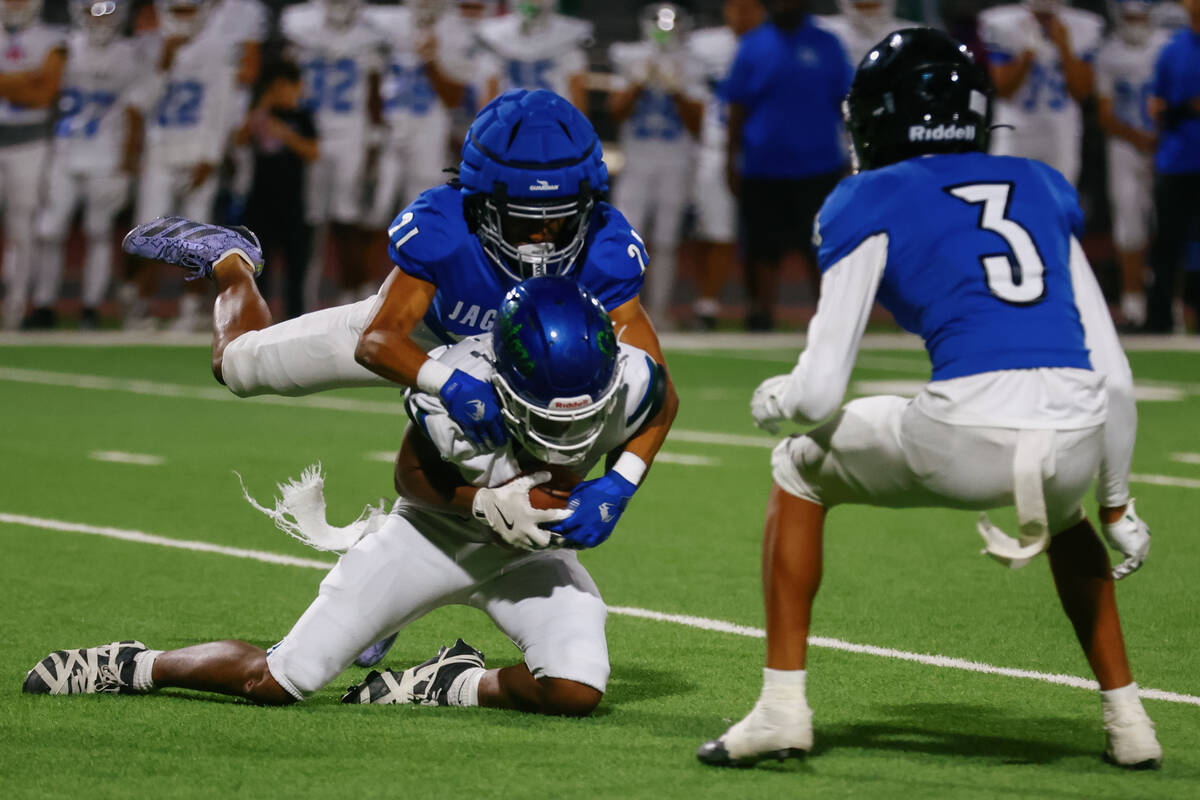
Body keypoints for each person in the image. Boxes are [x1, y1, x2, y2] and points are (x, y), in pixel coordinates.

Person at [696, 28, 1160, 770]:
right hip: (1076, 437)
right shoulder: (1041, 184)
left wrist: (775, 399)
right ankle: (1130, 723)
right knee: (1066, 508)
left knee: (796, 463)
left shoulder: (867, 195)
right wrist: (1115, 505)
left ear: (877, 116)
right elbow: (1115, 378)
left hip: (967, 435)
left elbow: (818, 392)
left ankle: (782, 710)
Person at [23, 274, 665, 718]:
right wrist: (478, 503)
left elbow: (660, 407)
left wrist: (621, 484)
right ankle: (137, 664)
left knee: (576, 689)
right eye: (547, 412)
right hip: (432, 538)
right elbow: (411, 478)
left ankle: (450, 683)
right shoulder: (459, 390)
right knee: (277, 681)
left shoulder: (631, 378)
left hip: (530, 558)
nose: (569, 431)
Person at [120, 88, 678, 578]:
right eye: (523, 216)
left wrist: (621, 483)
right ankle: (231, 260)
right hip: (425, 342)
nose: (541, 234)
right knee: (237, 367)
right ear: (480, 201)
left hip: (515, 372)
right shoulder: (445, 225)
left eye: (558, 215)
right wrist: (450, 384)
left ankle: (383, 569)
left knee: (540, 491)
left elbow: (655, 389)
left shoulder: (605, 248)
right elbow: (380, 340)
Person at [723, 0, 851, 331]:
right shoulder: (752, 45)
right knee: (762, 248)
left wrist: (855, 156)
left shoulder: (828, 43)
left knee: (822, 247)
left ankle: (831, 318)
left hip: (820, 164)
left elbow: (846, 105)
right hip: (763, 165)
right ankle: (761, 313)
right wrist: (730, 158)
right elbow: (737, 108)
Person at [123, 0, 241, 331]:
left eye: (189, 10)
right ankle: (141, 306)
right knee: (149, 233)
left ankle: (189, 308)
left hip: (197, 152)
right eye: (177, 10)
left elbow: (222, 107)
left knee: (196, 238)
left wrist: (211, 156)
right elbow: (137, 103)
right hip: (159, 151)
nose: (183, 19)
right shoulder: (148, 47)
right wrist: (163, 64)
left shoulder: (218, 49)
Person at [31, 0, 145, 330]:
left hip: (107, 154)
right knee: (49, 230)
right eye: (93, 10)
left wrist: (128, 160)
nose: (100, 19)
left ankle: (91, 308)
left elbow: (136, 111)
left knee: (99, 232)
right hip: (66, 150)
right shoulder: (63, 47)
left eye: (107, 10)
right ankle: (43, 304)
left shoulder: (131, 53)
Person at [281, 0, 385, 307]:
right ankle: (304, 298)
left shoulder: (369, 38)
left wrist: (373, 144)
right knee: (308, 221)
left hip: (351, 133)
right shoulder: (301, 32)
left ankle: (353, 293)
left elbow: (373, 97)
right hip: (310, 131)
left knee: (347, 218)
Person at [607, 3, 704, 326]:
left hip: (675, 160)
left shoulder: (692, 62)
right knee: (625, 237)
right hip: (637, 159)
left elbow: (697, 122)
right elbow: (615, 110)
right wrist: (637, 82)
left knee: (666, 239)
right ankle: (621, 308)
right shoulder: (630, 56)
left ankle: (659, 310)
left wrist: (677, 90)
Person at [365, 0, 478, 235]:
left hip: (429, 133)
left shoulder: (457, 31)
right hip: (388, 127)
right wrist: (374, 124)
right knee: (373, 209)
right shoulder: (385, 22)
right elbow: (371, 76)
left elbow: (454, 98)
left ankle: (409, 271)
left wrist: (431, 61)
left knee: (420, 213)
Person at [686, 0, 764, 330]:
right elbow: (694, 103)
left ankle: (755, 305)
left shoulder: (773, 44)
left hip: (765, 149)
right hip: (714, 146)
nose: (742, 16)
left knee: (761, 235)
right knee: (711, 230)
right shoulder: (703, 46)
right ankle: (707, 302)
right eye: (737, 8)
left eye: (749, 8)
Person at [1095, 0, 1171, 328]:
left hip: (1166, 142)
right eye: (1129, 17)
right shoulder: (1108, 53)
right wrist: (1138, 137)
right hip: (1125, 146)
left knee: (1166, 223)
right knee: (1129, 222)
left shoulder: (1166, 48)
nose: (1135, 23)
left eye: (1140, 17)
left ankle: (1170, 300)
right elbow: (1105, 112)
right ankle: (1133, 302)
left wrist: (1160, 133)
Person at [979, 0, 1103, 185]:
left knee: (1059, 200)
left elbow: (1082, 92)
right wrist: (1027, 54)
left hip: (1061, 130)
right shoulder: (1003, 23)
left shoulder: (1083, 26)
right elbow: (1003, 89)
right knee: (1006, 196)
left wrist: (1064, 48)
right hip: (1015, 127)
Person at [0, 0, 66, 329]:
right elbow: (34, 87)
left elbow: (45, 93)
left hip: (30, 144)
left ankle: (14, 304)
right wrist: (25, 80)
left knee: (22, 227)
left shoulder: (52, 37)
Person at [236, 60, 319, 320]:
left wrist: (285, 135)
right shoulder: (260, 114)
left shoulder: (302, 116)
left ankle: (295, 320)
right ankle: (257, 321)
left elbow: (313, 152)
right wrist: (262, 106)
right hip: (260, 202)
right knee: (259, 268)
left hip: (293, 203)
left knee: (296, 269)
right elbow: (240, 139)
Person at [1144, 0, 1200, 333]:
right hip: (1177, 158)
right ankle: (1159, 318)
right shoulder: (1172, 49)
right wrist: (1182, 108)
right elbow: (1156, 105)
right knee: (1166, 244)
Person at [475, 0, 592, 111]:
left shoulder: (570, 33)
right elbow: (490, 84)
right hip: (509, 116)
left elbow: (575, 86)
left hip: (553, 116)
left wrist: (577, 128)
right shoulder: (494, 33)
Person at [816, 0, 912, 64]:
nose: (868, 12)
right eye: (863, 6)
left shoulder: (910, 34)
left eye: (871, 6)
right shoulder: (824, 30)